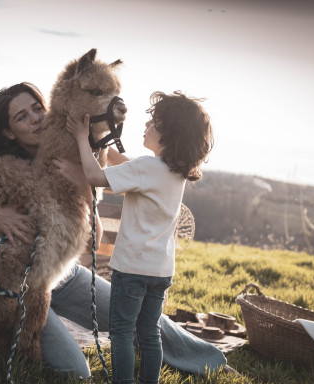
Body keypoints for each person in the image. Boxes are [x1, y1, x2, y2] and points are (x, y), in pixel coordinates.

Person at [0, 84, 226, 380]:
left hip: (65, 276)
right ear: (9, 131)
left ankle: (212, 362)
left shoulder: (67, 153)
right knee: (75, 371)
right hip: (25, 286)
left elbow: (93, 216)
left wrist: (87, 197)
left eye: (37, 108)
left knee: (143, 320)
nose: (35, 118)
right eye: (22, 116)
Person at [59, 91, 214, 383]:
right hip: (161, 271)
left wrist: (81, 138)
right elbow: (125, 163)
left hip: (132, 270)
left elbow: (95, 177)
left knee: (120, 332)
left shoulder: (146, 168)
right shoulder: (173, 172)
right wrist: (103, 149)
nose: (146, 125)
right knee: (149, 333)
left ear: (169, 134)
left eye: (154, 122)